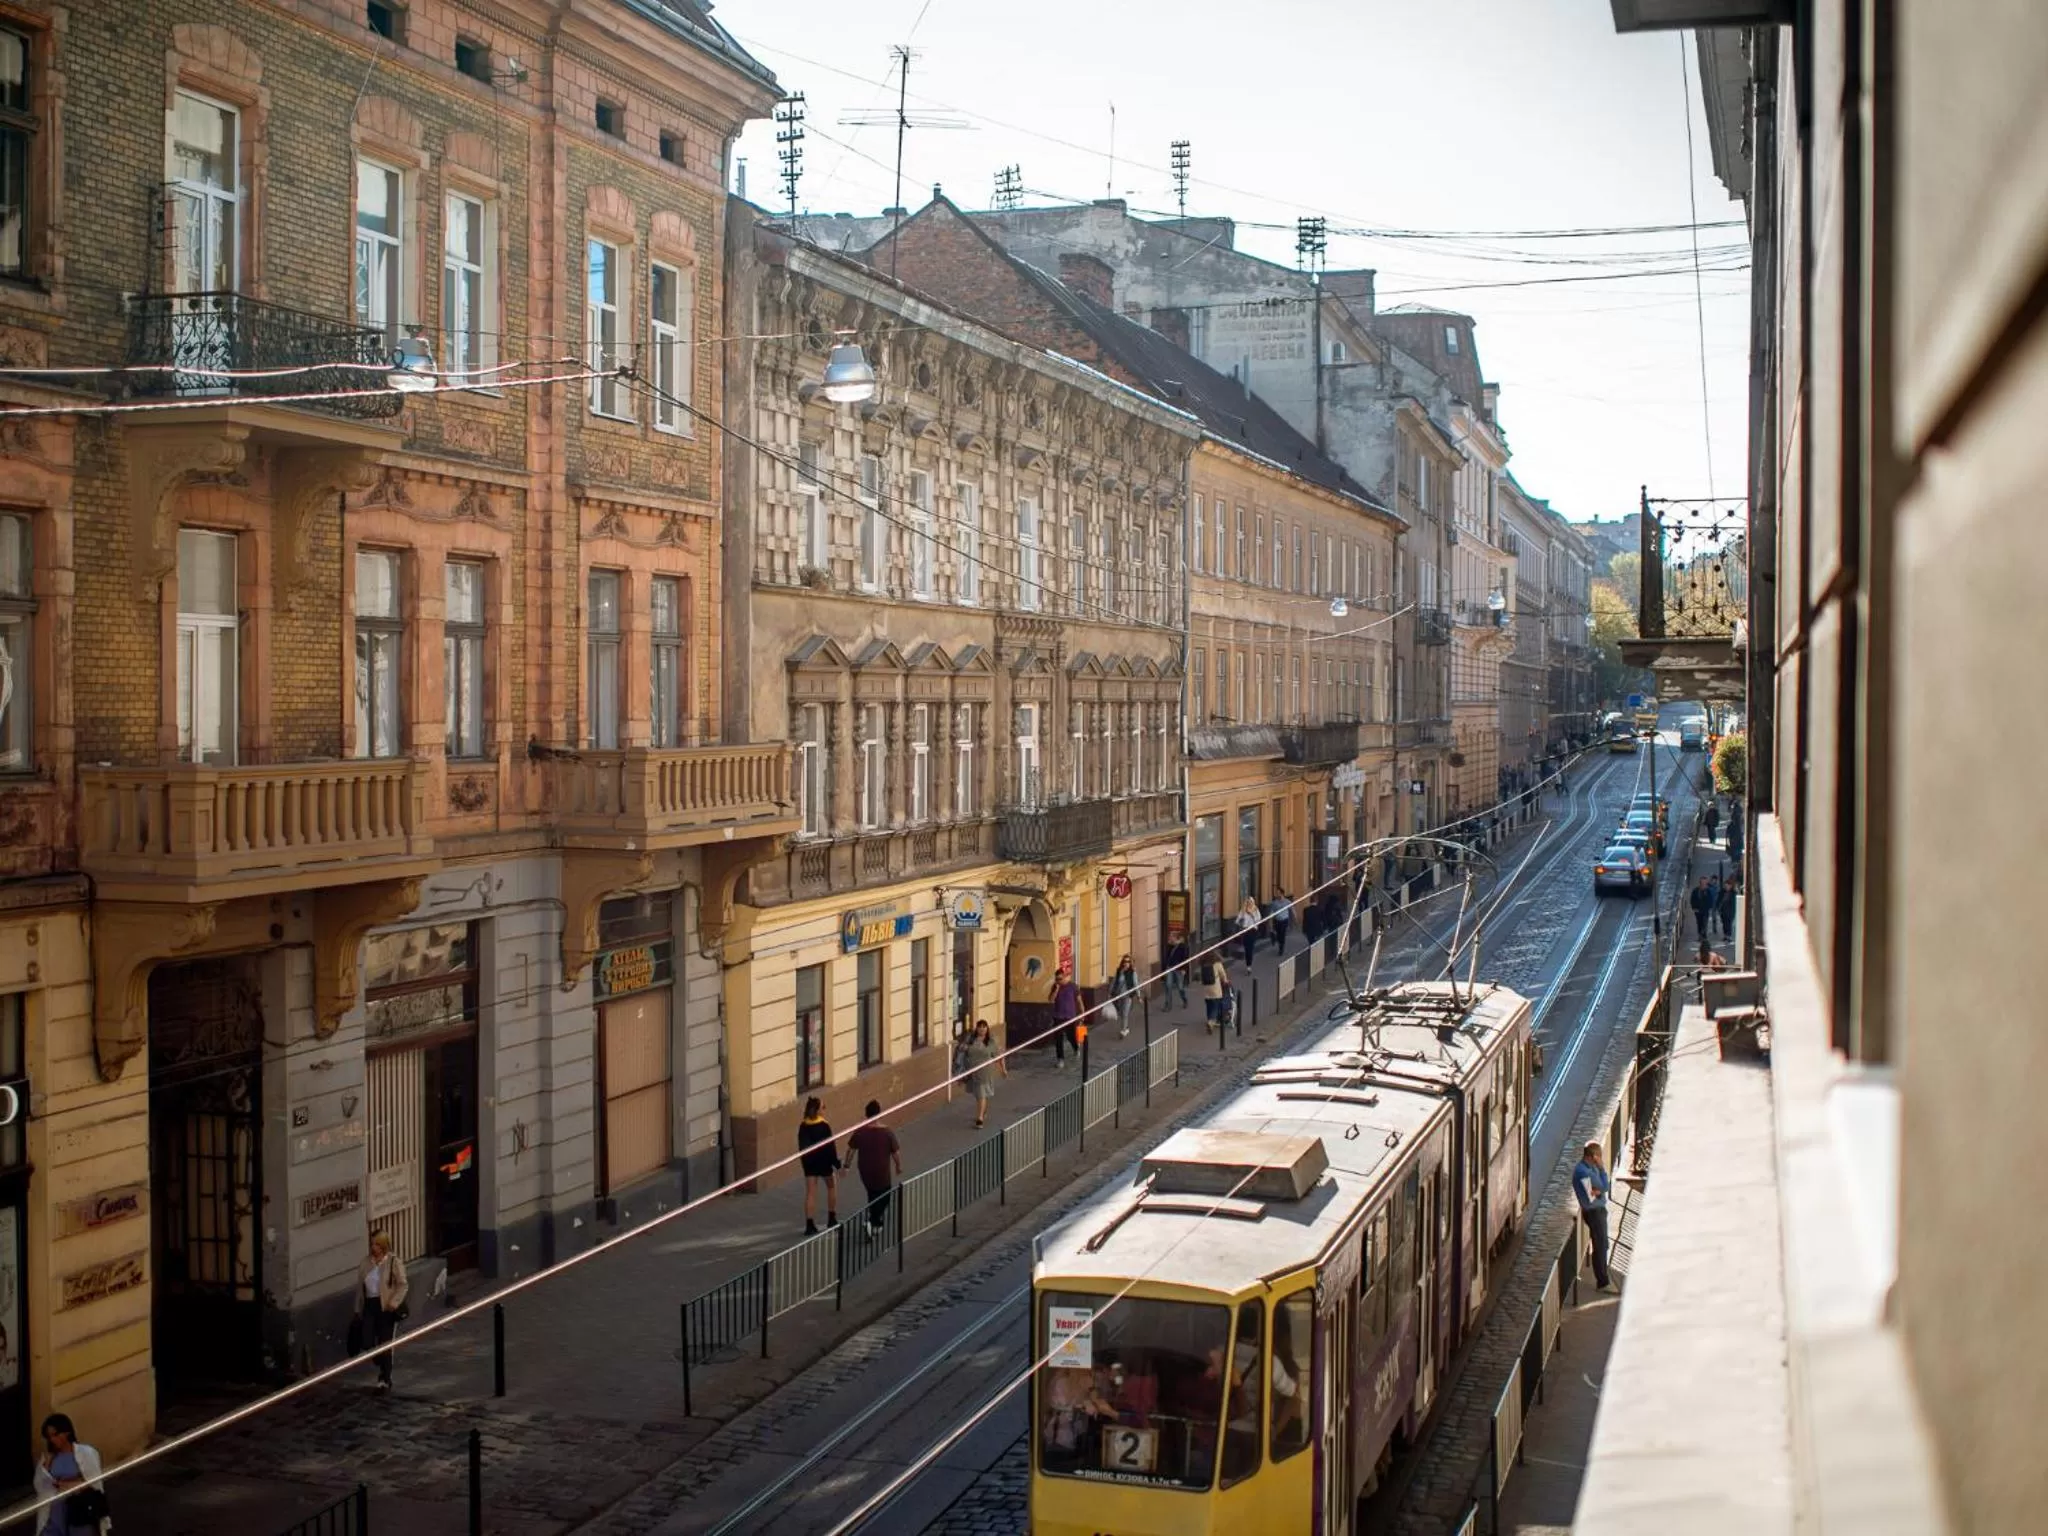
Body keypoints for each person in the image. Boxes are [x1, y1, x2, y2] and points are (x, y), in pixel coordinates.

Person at [34, 1414, 108, 1535]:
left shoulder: (85, 1453)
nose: (53, 1440)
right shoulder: (49, 1457)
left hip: (79, 1507)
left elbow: (95, 1482)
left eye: (56, 1435)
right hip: (56, 1509)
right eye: (49, 1436)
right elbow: (40, 1485)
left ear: (67, 1432)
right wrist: (46, 1465)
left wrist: (70, 1484)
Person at [358, 1228, 408, 1392]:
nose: (373, 1248)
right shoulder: (366, 1262)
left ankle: (385, 1378)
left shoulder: (393, 1261)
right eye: (372, 1244)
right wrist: (357, 1308)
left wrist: (394, 1302)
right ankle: (379, 1360)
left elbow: (402, 1284)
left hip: (386, 1306)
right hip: (370, 1305)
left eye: (377, 1245)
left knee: (385, 1344)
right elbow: (360, 1288)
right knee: (367, 1341)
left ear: (383, 1245)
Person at [844, 1101, 902, 1232]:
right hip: (882, 1171)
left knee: (872, 1193)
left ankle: (875, 1222)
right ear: (879, 1113)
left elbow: (850, 1150)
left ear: (866, 1114)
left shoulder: (860, 1132)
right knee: (885, 1196)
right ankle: (874, 1221)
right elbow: (895, 1152)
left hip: (865, 1170)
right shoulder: (887, 1133)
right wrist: (898, 1166)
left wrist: (846, 1166)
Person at [796, 1097, 840, 1236]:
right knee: (831, 1187)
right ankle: (831, 1218)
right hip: (824, 1162)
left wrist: (805, 1163)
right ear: (818, 1110)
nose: (824, 1109)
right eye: (823, 1107)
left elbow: (802, 1147)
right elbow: (830, 1147)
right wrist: (836, 1164)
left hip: (810, 1164)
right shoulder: (824, 1126)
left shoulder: (803, 1126)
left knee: (811, 1193)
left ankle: (809, 1225)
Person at [1573, 1141, 1614, 1291]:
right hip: (1594, 1212)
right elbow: (1604, 1187)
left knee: (1602, 1244)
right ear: (1594, 1157)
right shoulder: (1585, 1172)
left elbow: (1601, 1190)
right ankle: (1603, 1282)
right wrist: (1602, 1169)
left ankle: (1603, 1278)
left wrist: (1600, 1191)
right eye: (1600, 1157)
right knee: (1600, 1245)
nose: (1601, 1160)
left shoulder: (1589, 1169)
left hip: (1597, 1210)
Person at [961, 1020, 1004, 1129]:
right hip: (973, 1072)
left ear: (987, 1028)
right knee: (978, 1095)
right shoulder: (971, 1040)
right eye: (980, 1027)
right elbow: (961, 1051)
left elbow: (998, 1056)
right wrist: (963, 1048)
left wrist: (1003, 1069)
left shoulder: (990, 1042)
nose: (982, 1029)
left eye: (984, 1027)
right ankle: (983, 1110)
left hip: (985, 1072)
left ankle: (980, 1119)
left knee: (981, 1093)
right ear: (977, 1028)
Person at [1051, 965, 1082, 1067]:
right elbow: (1051, 1000)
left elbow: (1079, 1001)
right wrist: (1056, 990)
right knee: (1058, 1039)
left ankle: (1076, 1048)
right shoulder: (1055, 987)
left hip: (1069, 1016)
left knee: (1071, 1036)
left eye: (1060, 979)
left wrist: (1083, 1012)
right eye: (1056, 979)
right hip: (1058, 1016)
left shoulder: (1072, 986)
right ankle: (1060, 1059)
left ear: (1064, 977)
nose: (1058, 981)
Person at [1109, 955, 1139, 1038]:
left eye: (1128, 962)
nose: (1126, 963)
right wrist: (1110, 992)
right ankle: (1126, 1027)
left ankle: (1123, 1030)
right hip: (1119, 995)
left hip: (1128, 996)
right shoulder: (1119, 971)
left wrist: (1139, 996)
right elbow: (1114, 981)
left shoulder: (1132, 972)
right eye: (1125, 961)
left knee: (1125, 1013)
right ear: (1122, 962)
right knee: (1121, 1013)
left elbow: (1136, 984)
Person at [1201, 954, 1228, 1030]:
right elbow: (1222, 974)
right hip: (1215, 988)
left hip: (1206, 989)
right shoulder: (1217, 964)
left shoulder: (1203, 964)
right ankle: (1211, 1022)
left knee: (1209, 1005)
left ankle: (1209, 1019)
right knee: (1215, 1006)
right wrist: (1225, 981)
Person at [1162, 936, 1190, 1010]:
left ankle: (1184, 1000)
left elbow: (1185, 958)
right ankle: (1168, 1005)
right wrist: (1165, 969)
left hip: (1179, 969)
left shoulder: (1182, 947)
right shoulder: (1169, 946)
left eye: (1171, 938)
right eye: (1170, 938)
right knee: (1168, 986)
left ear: (1176, 939)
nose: (1170, 939)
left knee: (1180, 987)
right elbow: (1166, 957)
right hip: (1169, 968)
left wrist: (1184, 969)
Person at [1237, 895, 1262, 965]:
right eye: (1248, 902)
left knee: (1250, 948)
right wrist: (1240, 922)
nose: (1249, 903)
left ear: (1253, 902)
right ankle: (1248, 962)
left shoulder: (1256, 909)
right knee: (1246, 947)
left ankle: (1249, 965)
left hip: (1253, 931)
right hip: (1245, 931)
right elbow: (1237, 921)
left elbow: (1258, 919)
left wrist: (1251, 914)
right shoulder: (1243, 910)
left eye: (1251, 902)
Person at [1689, 877, 1714, 945]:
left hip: (1705, 910)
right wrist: (1694, 907)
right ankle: (1700, 935)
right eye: (1702, 883)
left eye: (1704, 883)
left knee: (1704, 923)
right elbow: (1692, 900)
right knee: (1699, 923)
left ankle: (1704, 936)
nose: (1703, 885)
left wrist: (1709, 907)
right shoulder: (1696, 891)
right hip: (1697, 911)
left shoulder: (1708, 891)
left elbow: (1711, 900)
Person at [1718, 872, 1738, 941]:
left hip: (1730, 911)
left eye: (1727, 886)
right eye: (1725, 886)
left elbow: (1734, 903)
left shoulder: (1733, 893)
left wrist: (1733, 912)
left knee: (1729, 924)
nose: (1726, 887)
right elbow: (1718, 900)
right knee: (1724, 924)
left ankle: (1728, 936)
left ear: (1730, 886)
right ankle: (1725, 935)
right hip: (1723, 911)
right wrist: (1718, 908)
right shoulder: (1722, 892)